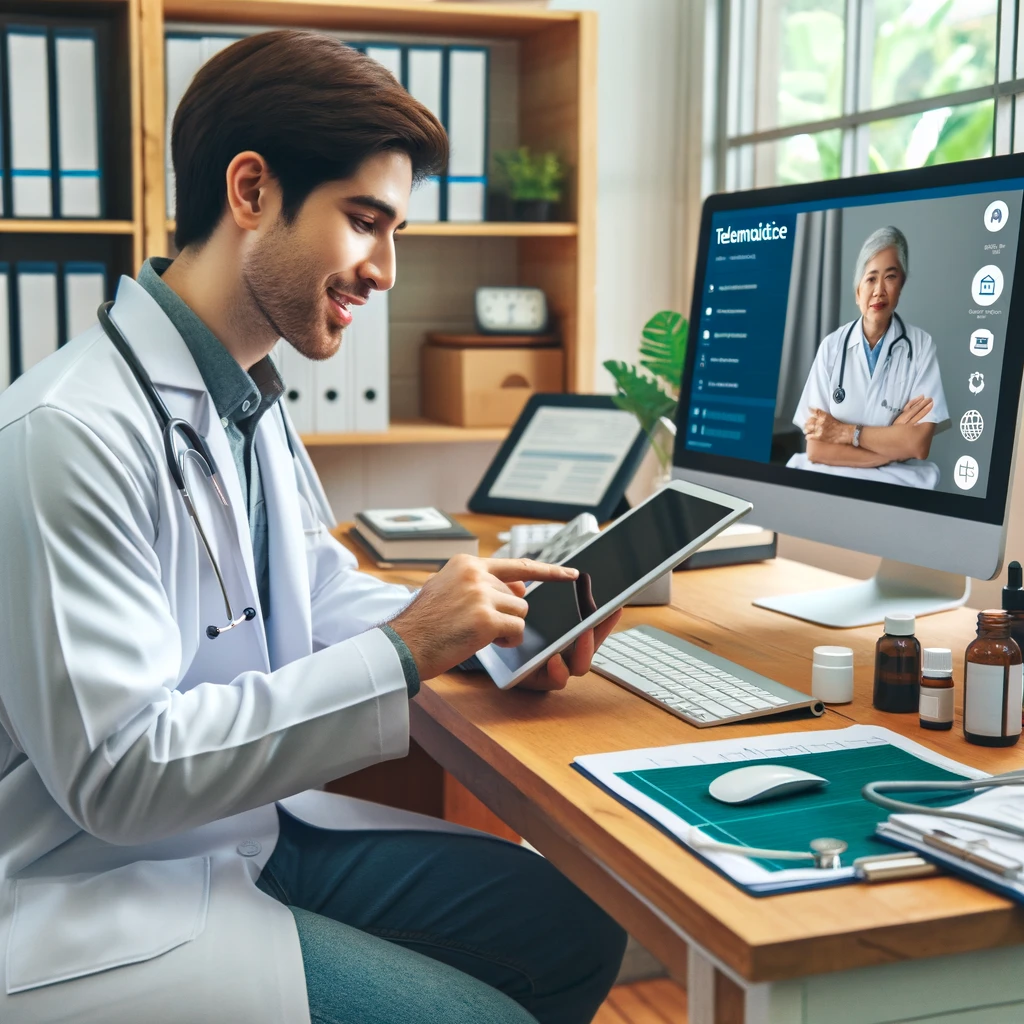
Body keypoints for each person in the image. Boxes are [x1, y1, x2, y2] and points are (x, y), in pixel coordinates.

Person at [0, 31, 626, 1024]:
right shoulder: (64, 433)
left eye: (398, 233)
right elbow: (118, 776)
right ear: (251, 191)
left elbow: (316, 590)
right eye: (365, 221)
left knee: (574, 931)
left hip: (237, 831)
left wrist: (482, 635)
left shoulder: (248, 399)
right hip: (95, 884)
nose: (384, 269)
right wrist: (407, 647)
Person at [787, 225, 949, 489]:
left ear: (902, 284)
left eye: (890, 277)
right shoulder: (832, 347)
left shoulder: (920, 347)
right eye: (871, 278)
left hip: (892, 482)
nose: (879, 291)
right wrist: (892, 441)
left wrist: (843, 432)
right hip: (834, 480)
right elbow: (817, 450)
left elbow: (917, 445)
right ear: (858, 290)